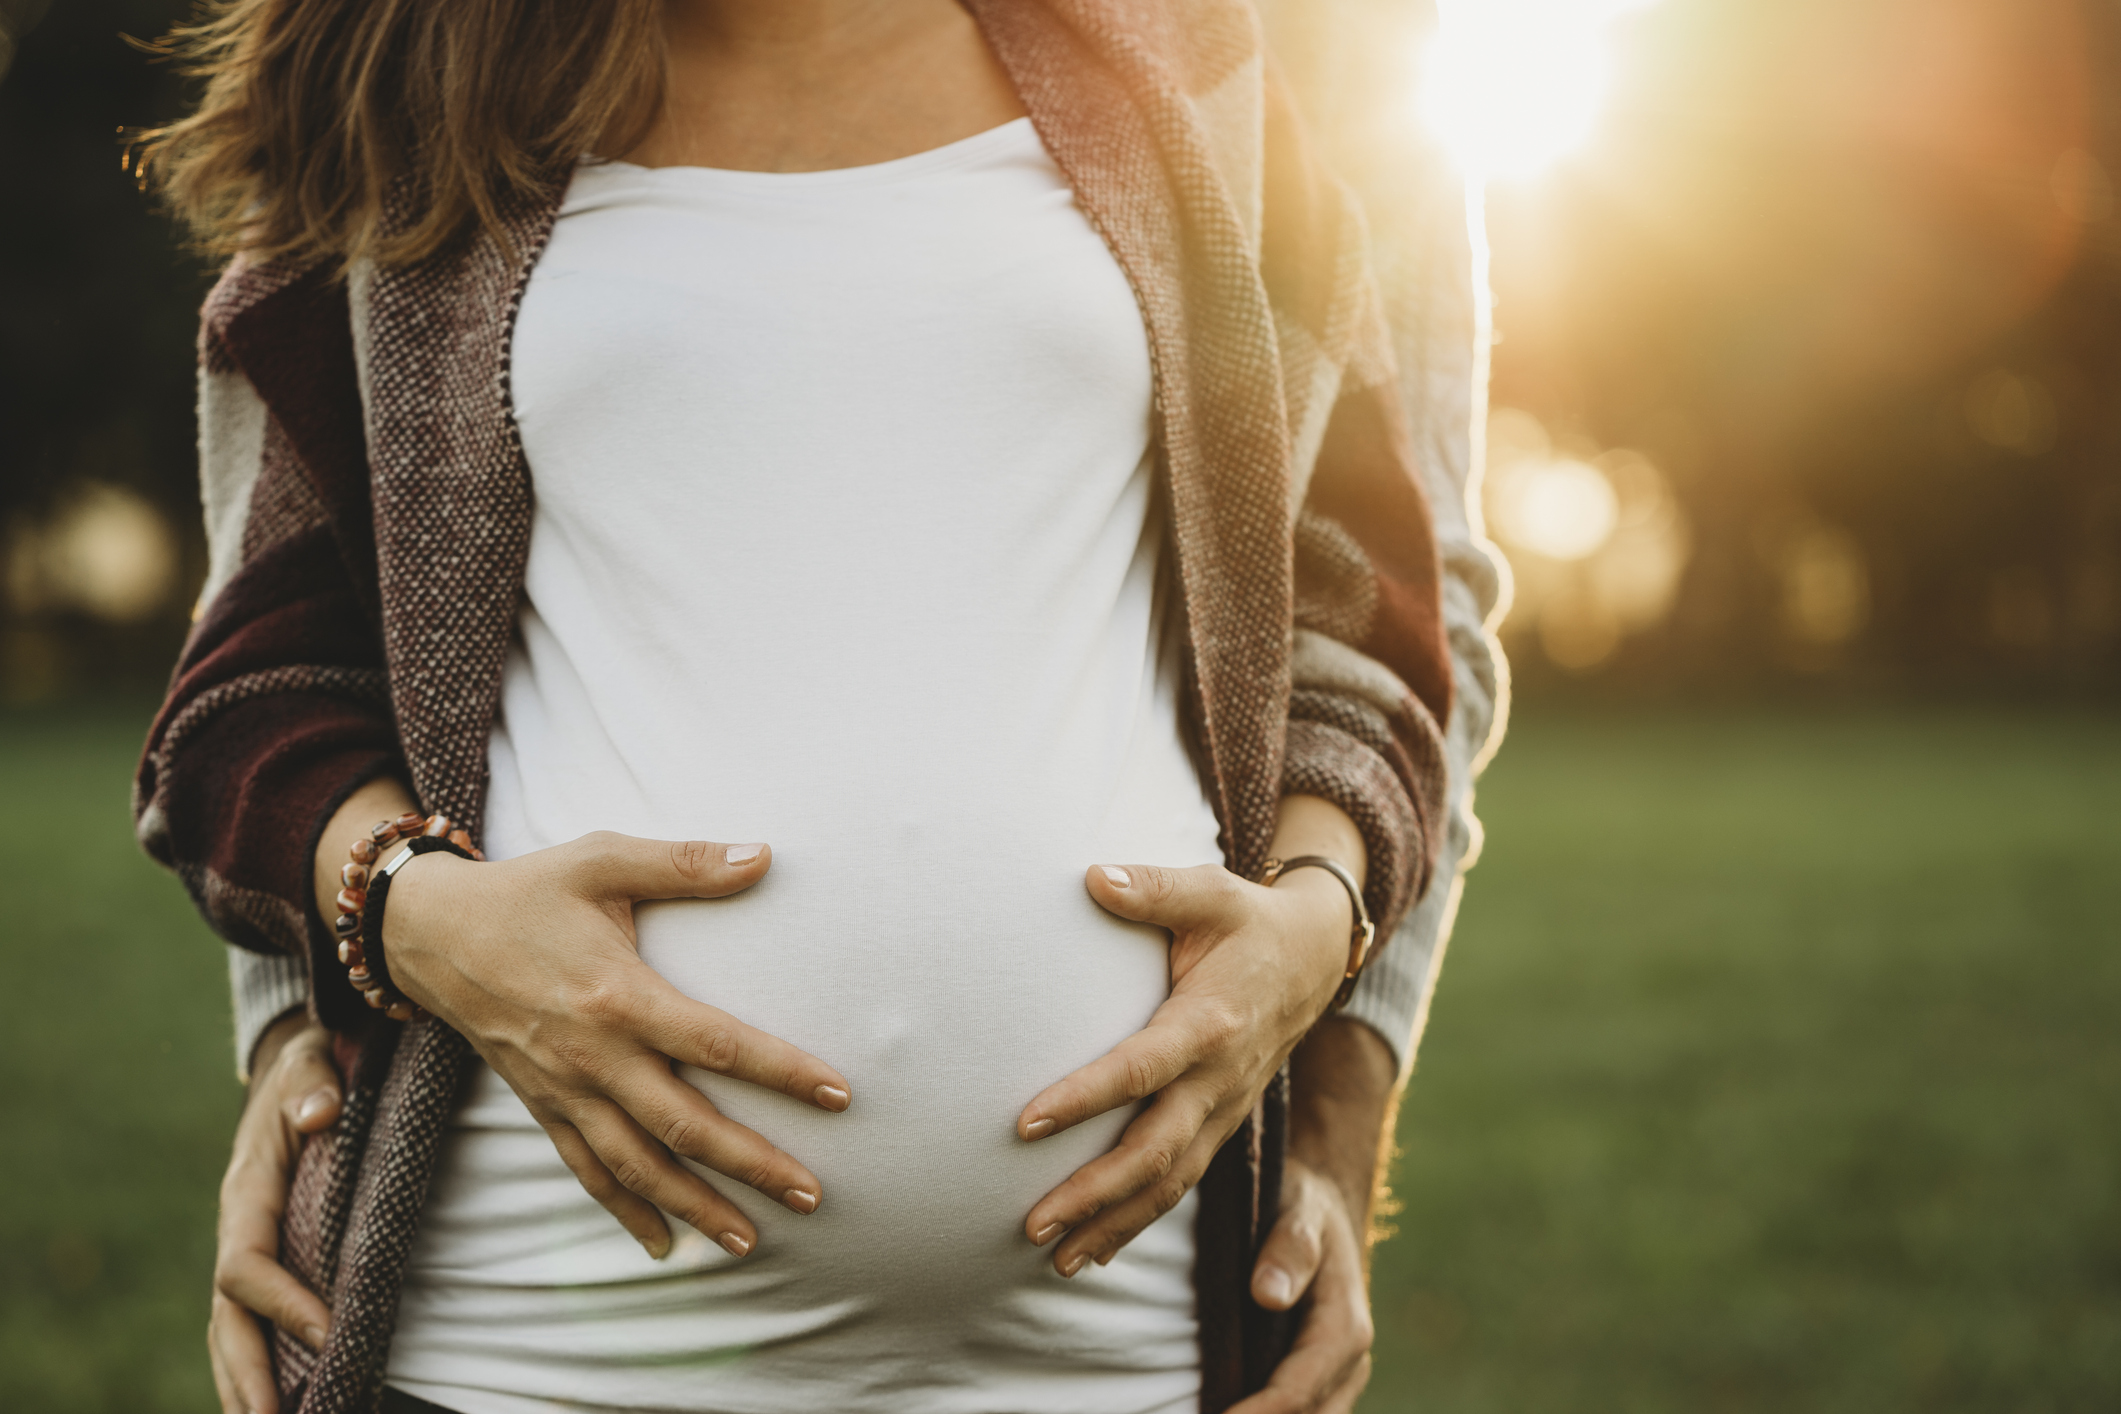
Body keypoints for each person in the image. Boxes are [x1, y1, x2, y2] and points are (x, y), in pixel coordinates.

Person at [136, 1, 1505, 1411]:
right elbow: (261, 674)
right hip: (525, 1338)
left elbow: (1372, 621)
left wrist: (1313, 928)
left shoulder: (1210, 76)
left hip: (1108, 1357)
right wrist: (386, 932)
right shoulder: (424, 73)